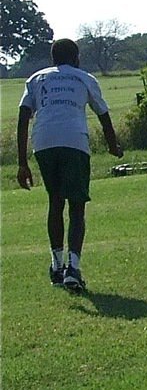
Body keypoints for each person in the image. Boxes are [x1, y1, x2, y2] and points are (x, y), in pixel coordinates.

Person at [16, 39, 124, 293]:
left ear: (53, 58)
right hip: (74, 142)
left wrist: (22, 163)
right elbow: (103, 114)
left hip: (43, 142)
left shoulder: (36, 79)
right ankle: (73, 269)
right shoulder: (84, 78)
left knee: (55, 201)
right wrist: (113, 146)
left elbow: (23, 119)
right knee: (76, 207)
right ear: (76, 58)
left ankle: (56, 265)